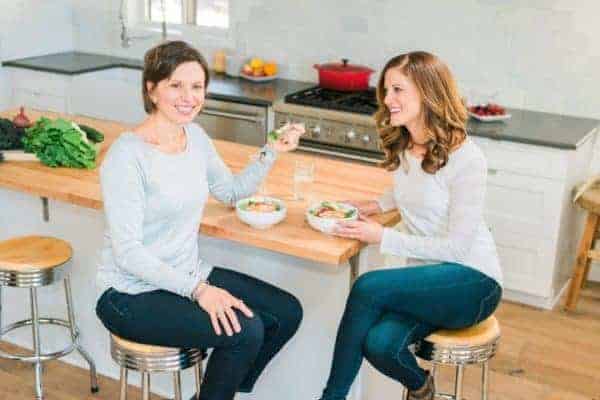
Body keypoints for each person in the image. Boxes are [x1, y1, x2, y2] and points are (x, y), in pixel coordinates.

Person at [95, 40, 304, 400]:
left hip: (186, 273)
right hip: (128, 294)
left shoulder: (195, 136)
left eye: (196, 87)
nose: (188, 97)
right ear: (152, 89)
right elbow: (128, 253)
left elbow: (230, 192)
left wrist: (271, 150)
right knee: (247, 331)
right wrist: (200, 291)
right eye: (175, 85)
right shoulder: (126, 157)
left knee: (286, 312)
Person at [318, 51, 503, 400]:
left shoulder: (468, 159)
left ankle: (331, 397)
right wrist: (378, 205)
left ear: (428, 92)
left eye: (398, 90)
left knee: (368, 287)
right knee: (380, 344)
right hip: (427, 282)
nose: (388, 100)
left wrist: (383, 236)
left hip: (473, 282)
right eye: (386, 90)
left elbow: (457, 248)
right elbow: (416, 187)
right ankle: (422, 388)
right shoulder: (407, 143)